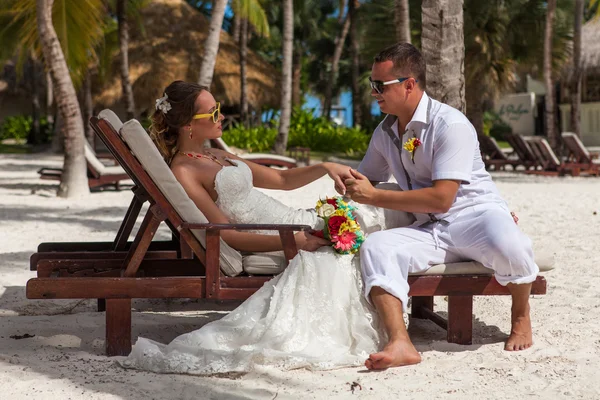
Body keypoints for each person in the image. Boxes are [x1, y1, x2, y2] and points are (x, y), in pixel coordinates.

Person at [121, 80, 403, 375]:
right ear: (189, 125)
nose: (222, 117)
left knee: (380, 206)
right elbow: (227, 234)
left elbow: (281, 180)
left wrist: (325, 167)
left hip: (298, 221)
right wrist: (294, 240)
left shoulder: (215, 154)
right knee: (381, 216)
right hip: (283, 235)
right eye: (213, 113)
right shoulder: (184, 170)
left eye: (219, 109)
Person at [328, 43, 539, 371]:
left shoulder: (449, 124)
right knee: (377, 247)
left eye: (379, 86)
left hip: (475, 216)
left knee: (510, 244)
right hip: (429, 228)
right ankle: (400, 341)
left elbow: (443, 197)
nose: (373, 93)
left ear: (409, 84)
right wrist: (342, 184)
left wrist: (374, 195)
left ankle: (521, 312)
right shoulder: (385, 133)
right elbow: (365, 178)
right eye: (370, 85)